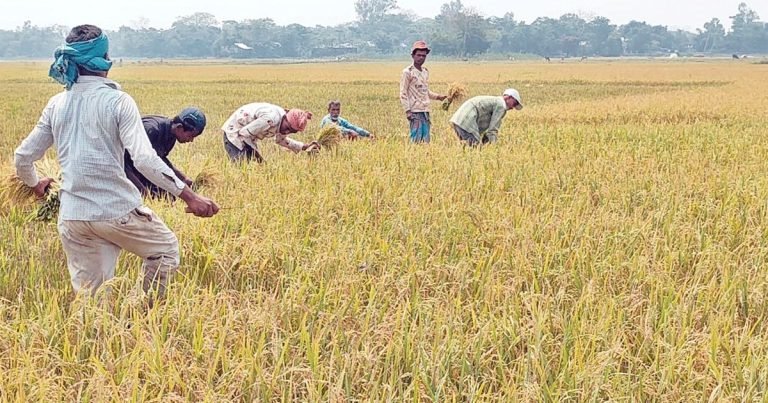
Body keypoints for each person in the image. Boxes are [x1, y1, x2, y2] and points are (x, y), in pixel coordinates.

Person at [13, 24, 219, 298]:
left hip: (73, 217)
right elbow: (145, 159)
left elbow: (23, 156)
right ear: (104, 59)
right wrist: (190, 197)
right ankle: (145, 313)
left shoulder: (56, 104)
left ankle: (96, 336)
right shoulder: (118, 101)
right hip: (115, 210)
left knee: (90, 297)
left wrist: (35, 183)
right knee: (165, 250)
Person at [124, 107, 206, 199]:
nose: (191, 140)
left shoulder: (171, 135)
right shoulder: (151, 130)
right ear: (179, 127)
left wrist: (183, 178)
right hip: (120, 169)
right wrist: (143, 192)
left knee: (170, 195)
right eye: (190, 136)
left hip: (139, 168)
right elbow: (123, 163)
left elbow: (159, 160)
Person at [221, 103, 320, 163]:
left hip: (247, 136)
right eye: (287, 128)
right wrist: (258, 157)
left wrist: (304, 147)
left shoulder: (283, 122)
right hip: (235, 133)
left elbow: (281, 140)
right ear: (285, 118)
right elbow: (243, 134)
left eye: (292, 131)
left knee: (250, 166)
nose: (286, 132)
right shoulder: (270, 119)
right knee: (241, 165)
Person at [399, 40, 446, 143]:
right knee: (416, 139)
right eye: (419, 55)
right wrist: (407, 111)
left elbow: (425, 91)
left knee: (426, 140)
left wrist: (439, 97)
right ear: (413, 55)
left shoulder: (425, 72)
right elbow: (403, 93)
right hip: (415, 111)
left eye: (423, 56)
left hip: (425, 110)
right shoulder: (408, 72)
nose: (421, 58)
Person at [449, 89, 523, 147]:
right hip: (467, 122)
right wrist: (494, 148)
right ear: (508, 97)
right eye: (515, 103)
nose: (513, 107)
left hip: (458, 120)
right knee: (475, 149)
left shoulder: (495, 101)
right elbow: (492, 130)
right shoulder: (501, 105)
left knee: (466, 147)